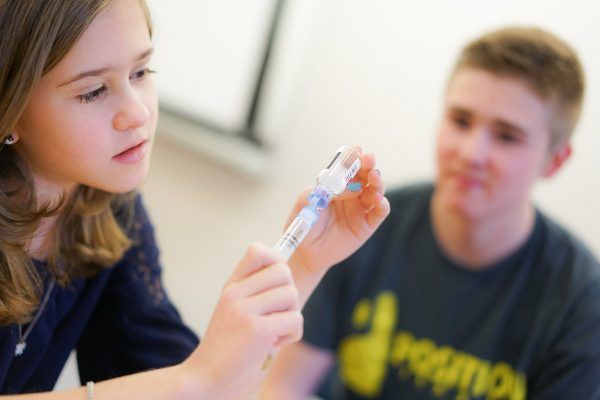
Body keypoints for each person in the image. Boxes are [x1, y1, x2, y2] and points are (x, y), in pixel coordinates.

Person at [0, 0, 390, 398]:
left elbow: (194, 385)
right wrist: (196, 379)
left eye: (140, 72)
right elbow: (191, 383)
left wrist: (303, 264)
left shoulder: (110, 211)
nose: (137, 112)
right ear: (10, 105)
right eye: (94, 91)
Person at [259, 26, 600, 400]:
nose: (471, 153)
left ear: (555, 160)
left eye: (507, 136)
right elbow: (283, 387)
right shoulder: (361, 225)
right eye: (460, 121)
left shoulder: (582, 302)